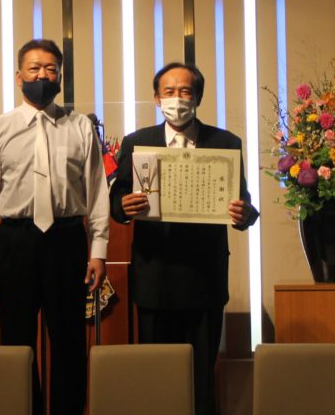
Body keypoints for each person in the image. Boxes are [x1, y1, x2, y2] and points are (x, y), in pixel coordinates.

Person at [110, 62, 258, 415]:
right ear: (156, 98)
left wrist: (244, 215)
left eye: (185, 91)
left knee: (201, 376)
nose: (177, 99)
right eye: (169, 91)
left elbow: (244, 204)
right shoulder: (137, 142)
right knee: (157, 374)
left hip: (204, 278)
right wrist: (124, 206)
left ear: (198, 97)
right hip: (154, 277)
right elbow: (116, 201)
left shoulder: (225, 143)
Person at [0, 38, 109, 415]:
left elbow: (97, 192)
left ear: (60, 77)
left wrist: (98, 251)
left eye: (51, 69)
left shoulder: (80, 126)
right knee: (17, 340)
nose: (42, 76)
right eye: (34, 69)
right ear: (19, 77)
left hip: (67, 239)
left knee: (69, 339)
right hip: (16, 240)